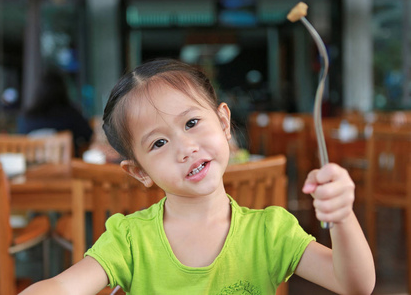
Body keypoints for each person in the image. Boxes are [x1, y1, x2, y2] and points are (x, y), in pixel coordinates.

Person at [20, 59, 375, 295]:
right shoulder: (129, 240)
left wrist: (341, 216)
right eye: (159, 142)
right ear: (139, 171)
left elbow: (354, 284)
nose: (185, 147)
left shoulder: (271, 232)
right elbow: (62, 288)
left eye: (192, 123)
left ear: (223, 123)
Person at [17, 70, 93, 156]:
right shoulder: (71, 114)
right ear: (64, 90)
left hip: (33, 168)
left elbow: (21, 144)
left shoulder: (26, 117)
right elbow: (89, 136)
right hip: (68, 168)